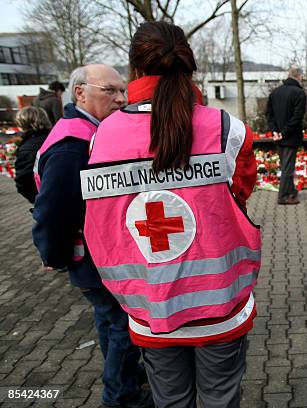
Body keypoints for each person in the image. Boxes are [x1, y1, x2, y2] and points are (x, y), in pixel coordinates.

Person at [80, 22, 261, 408]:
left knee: (171, 401)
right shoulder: (228, 129)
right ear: (188, 65)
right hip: (220, 309)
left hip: (149, 309)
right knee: (221, 398)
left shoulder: (102, 136)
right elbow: (241, 193)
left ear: (134, 71)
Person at [32, 64, 152, 408]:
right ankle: (120, 396)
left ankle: (125, 374)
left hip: (95, 255)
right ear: (80, 92)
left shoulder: (86, 130)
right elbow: (53, 208)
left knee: (108, 319)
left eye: (122, 91)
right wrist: (52, 255)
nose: (120, 99)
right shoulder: (74, 143)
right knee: (123, 324)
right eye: (109, 91)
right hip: (92, 257)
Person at [266, 65, 307, 205]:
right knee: (288, 168)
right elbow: (297, 118)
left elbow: (269, 114)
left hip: (279, 137)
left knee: (286, 166)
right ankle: (283, 196)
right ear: (299, 76)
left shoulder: (275, 92)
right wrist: (283, 133)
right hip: (290, 137)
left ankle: (291, 191)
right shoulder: (299, 93)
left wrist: (275, 131)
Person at [14, 106, 51, 204]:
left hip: (43, 198)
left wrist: (37, 200)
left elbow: (23, 180)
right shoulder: (53, 137)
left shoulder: (27, 147)